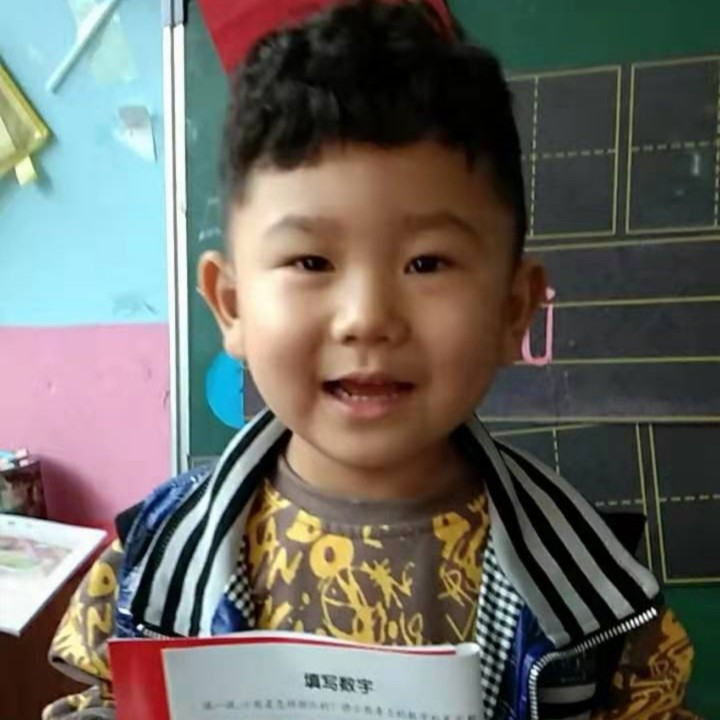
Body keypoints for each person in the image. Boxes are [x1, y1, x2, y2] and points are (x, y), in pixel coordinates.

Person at [43, 2, 700, 719]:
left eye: (427, 262)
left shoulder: (591, 589)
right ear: (231, 305)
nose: (367, 317)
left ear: (514, 310)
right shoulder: (151, 561)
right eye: (311, 261)